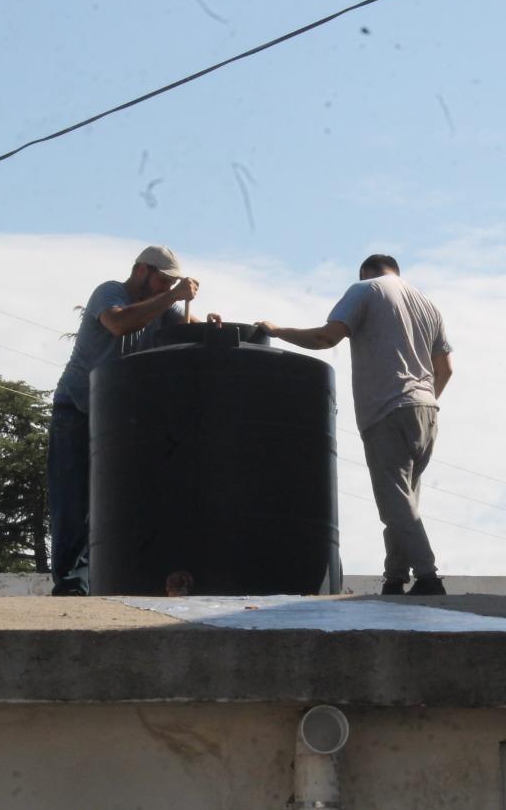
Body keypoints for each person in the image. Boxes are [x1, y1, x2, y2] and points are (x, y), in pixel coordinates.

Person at [256, 254, 453, 596]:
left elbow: (326, 338)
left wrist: (277, 331)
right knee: (402, 502)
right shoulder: (427, 303)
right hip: (427, 410)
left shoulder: (365, 290)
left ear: (366, 272)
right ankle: (394, 578)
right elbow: (446, 368)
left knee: (395, 501)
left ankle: (428, 576)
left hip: (388, 410)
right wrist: (423, 398)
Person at [48, 245, 214, 596]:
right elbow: (120, 322)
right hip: (76, 410)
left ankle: (89, 580)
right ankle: (68, 582)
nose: (166, 289)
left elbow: (190, 331)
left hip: (118, 420)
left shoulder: (161, 308)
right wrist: (174, 296)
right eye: (163, 281)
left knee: (113, 501)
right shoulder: (110, 292)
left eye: (171, 284)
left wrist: (214, 327)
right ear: (142, 271)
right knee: (72, 500)